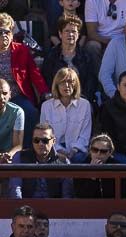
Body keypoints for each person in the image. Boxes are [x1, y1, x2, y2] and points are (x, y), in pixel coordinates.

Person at [0, 14, 47, 146]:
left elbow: (34, 73)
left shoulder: (21, 49)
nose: (4, 35)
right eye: (0, 31)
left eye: (7, 31)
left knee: (31, 112)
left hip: (17, 95)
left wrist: (45, 92)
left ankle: (26, 151)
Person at [42, 14, 101, 107]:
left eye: (74, 31)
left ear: (78, 35)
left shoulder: (86, 57)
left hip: (81, 101)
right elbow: (47, 80)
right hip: (56, 102)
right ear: (60, 34)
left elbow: (91, 82)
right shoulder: (51, 56)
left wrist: (82, 100)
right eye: (67, 31)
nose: (70, 34)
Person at [41, 67, 92, 163]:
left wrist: (74, 150)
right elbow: (44, 134)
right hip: (53, 149)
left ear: (76, 84)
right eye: (62, 82)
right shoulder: (46, 106)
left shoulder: (85, 105)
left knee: (79, 159)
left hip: (77, 151)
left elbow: (85, 134)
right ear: (57, 85)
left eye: (70, 82)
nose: (67, 85)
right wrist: (59, 150)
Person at [8, 123, 72, 199]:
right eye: (36, 140)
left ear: (53, 141)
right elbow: (15, 188)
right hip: (27, 208)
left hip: (54, 208)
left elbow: (67, 195)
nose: (40, 144)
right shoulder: (19, 157)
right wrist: (22, 208)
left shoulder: (64, 162)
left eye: (45, 140)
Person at [72, 133, 126, 198]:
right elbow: (81, 196)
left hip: (113, 206)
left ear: (110, 153)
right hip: (89, 206)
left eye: (103, 151)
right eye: (95, 150)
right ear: (90, 150)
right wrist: (92, 175)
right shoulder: (81, 168)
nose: (98, 154)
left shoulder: (118, 168)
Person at [0, 78, 23, 163]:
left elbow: (18, 145)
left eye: (4, 93)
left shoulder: (17, 112)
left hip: (8, 155)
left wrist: (8, 155)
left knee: (17, 157)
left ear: (10, 95)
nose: (1, 97)